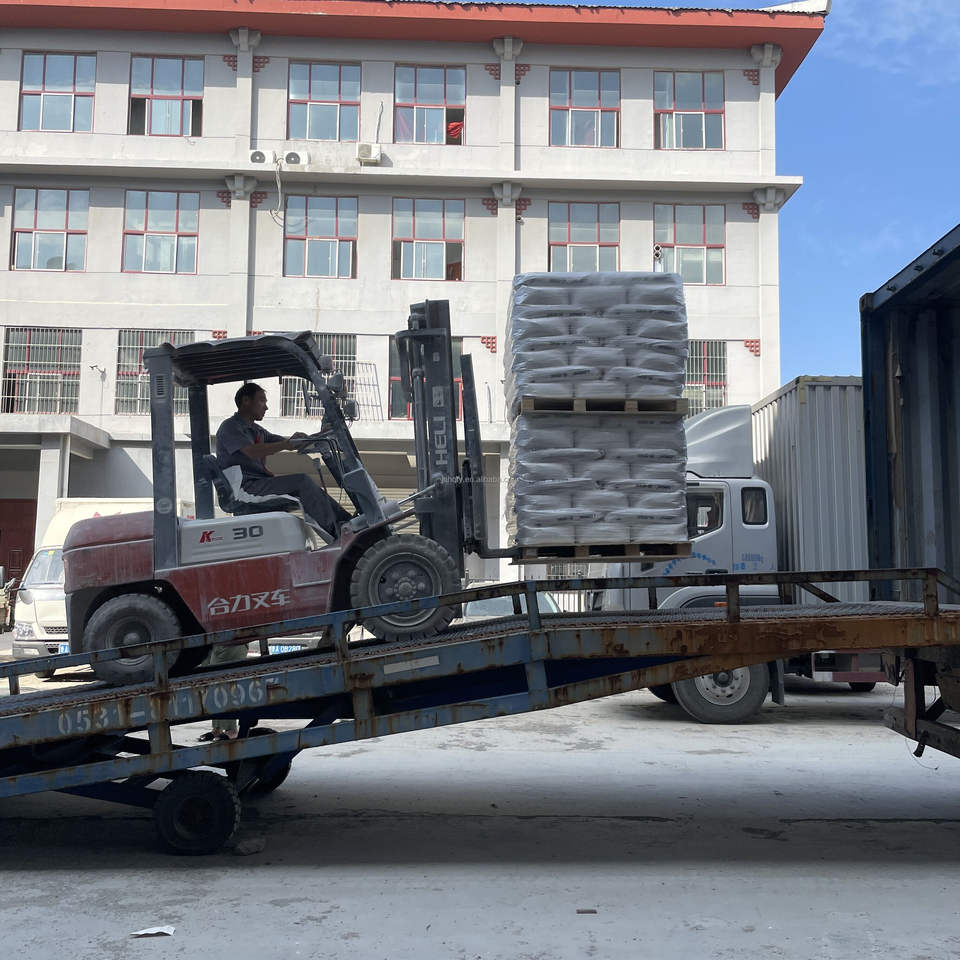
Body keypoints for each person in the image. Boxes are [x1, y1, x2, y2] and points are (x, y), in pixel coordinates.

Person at [215, 382, 351, 537]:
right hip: (244, 489)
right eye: (262, 401)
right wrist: (287, 444)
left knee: (306, 485)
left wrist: (319, 436)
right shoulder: (230, 427)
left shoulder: (256, 430)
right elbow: (251, 451)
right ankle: (341, 531)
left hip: (258, 484)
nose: (266, 407)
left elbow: (288, 443)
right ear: (246, 401)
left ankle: (346, 522)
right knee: (301, 482)